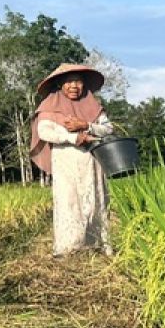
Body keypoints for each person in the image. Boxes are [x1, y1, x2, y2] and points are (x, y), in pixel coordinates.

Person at [29, 63, 115, 257]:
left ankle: (100, 246)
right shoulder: (49, 105)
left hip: (92, 159)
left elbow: (108, 129)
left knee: (96, 199)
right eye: (68, 81)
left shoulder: (92, 104)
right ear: (60, 84)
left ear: (84, 84)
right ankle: (67, 249)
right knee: (68, 200)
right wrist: (73, 137)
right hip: (65, 158)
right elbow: (44, 131)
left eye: (78, 81)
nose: (74, 86)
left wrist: (86, 125)